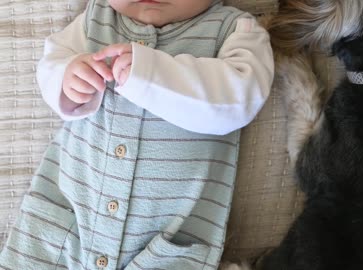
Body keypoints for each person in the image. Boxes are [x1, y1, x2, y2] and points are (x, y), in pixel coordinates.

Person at [0, 0, 273, 269]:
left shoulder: (237, 30)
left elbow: (239, 100)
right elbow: (53, 61)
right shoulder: (94, 19)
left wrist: (152, 74)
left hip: (163, 245)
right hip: (68, 227)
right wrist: (68, 78)